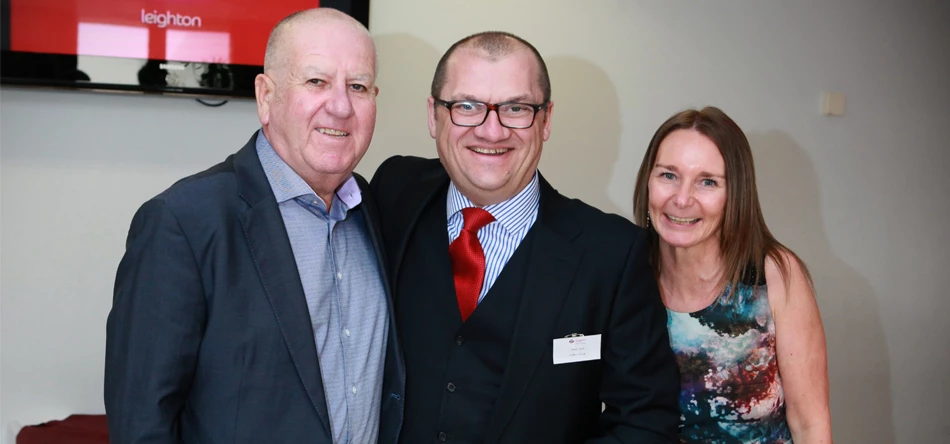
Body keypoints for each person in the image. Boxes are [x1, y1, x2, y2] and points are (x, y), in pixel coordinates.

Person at [104, 8, 404, 444]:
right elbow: (141, 423)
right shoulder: (183, 222)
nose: (340, 106)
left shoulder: (377, 213)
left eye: (358, 86)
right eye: (316, 82)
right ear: (266, 96)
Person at [370, 31, 680, 443]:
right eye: (467, 106)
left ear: (546, 119)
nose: (492, 131)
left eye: (516, 108)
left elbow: (645, 421)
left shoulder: (611, 254)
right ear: (433, 115)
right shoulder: (394, 192)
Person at [632, 106, 833, 443]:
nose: (682, 198)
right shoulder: (624, 274)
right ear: (648, 180)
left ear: (735, 195)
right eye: (668, 175)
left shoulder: (773, 275)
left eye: (707, 182)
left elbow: (811, 423)